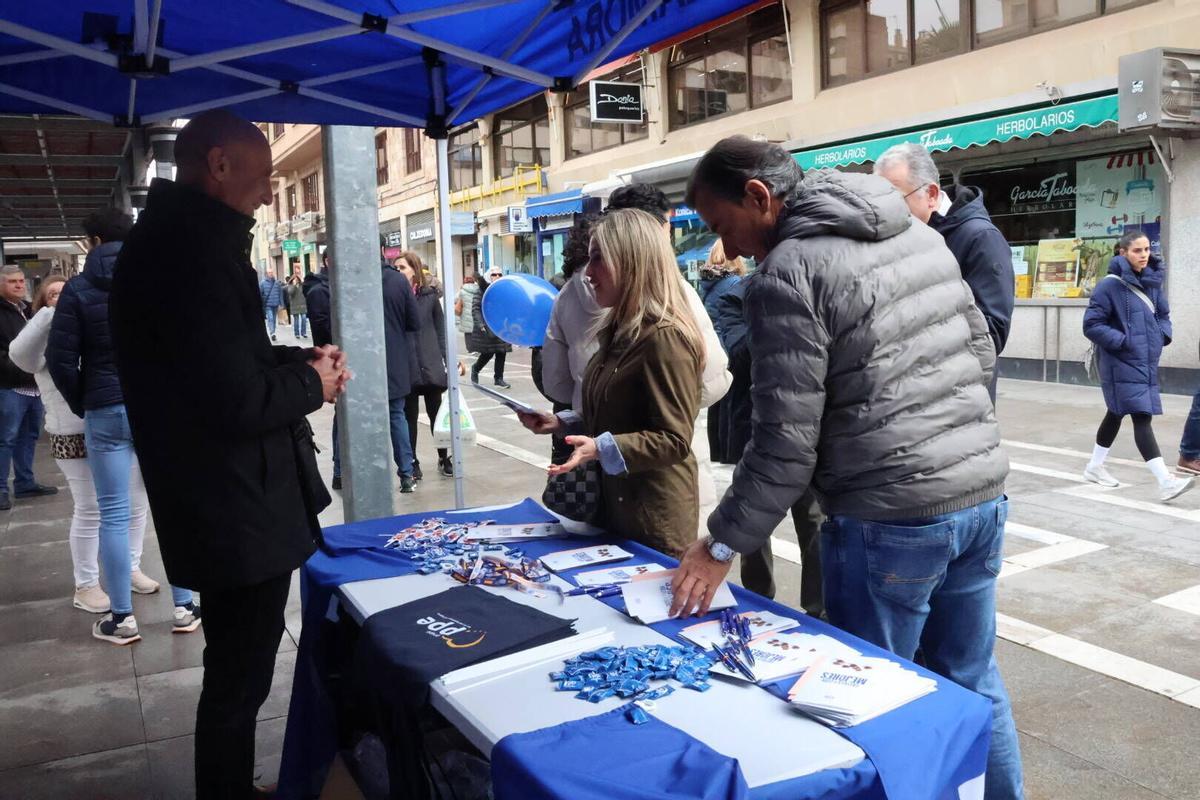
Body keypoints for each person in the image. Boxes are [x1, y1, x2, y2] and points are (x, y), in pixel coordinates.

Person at [670, 136, 1022, 799]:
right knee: (973, 680)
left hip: (888, 517)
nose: (730, 247)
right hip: (979, 495)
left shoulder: (785, 274)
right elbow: (980, 353)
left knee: (871, 696)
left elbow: (783, 443)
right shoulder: (918, 236)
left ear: (758, 196)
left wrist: (719, 544)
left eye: (724, 225)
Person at [109, 110, 346, 798]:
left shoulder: (180, 244)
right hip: (233, 506)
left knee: (237, 672)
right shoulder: (190, 256)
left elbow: (222, 365)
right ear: (219, 165)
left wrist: (297, 360)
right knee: (239, 678)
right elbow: (234, 401)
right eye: (264, 176)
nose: (270, 193)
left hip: (222, 500)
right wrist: (314, 384)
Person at [519, 209, 704, 557]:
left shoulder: (665, 337)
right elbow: (616, 411)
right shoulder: (619, 330)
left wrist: (599, 448)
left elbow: (674, 439)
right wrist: (561, 422)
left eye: (598, 259)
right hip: (614, 508)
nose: (588, 274)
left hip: (652, 520)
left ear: (632, 262)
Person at [48, 207, 195, 645]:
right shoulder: (159, 281)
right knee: (170, 506)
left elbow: (60, 359)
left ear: (93, 241)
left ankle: (122, 619)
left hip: (105, 409)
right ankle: (185, 607)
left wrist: (85, 400)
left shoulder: (77, 290)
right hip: (158, 409)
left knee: (112, 513)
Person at [874, 143, 1014, 402]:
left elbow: (992, 335)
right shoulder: (901, 237)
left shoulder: (981, 238)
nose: (885, 211)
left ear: (931, 194)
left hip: (960, 401)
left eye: (895, 199)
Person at [10, 276, 111, 613]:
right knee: (89, 507)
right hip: (70, 432)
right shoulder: (45, 331)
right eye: (52, 294)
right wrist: (51, 314)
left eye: (66, 292)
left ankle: (130, 567)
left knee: (127, 505)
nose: (61, 297)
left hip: (108, 424)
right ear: (43, 303)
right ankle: (86, 584)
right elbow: (21, 356)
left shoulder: (91, 323)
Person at [1083, 230, 1191, 501]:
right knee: (1142, 416)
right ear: (1123, 253)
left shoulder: (1152, 282)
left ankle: (1094, 466)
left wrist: (1162, 335)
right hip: (1120, 361)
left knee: (1116, 412)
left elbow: (1163, 314)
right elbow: (1092, 324)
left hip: (1144, 360)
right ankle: (1165, 481)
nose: (1144, 255)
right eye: (1137, 250)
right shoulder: (1109, 286)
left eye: (1146, 249)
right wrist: (1124, 341)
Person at [0, 264, 58, 511]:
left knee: (28, 436)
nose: (19, 285)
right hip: (9, 387)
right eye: (12, 281)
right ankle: (1, 490)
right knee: (6, 439)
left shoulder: (27, 309)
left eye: (21, 281)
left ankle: (24, 483)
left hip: (33, 387)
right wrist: (26, 369)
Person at [395, 251, 452, 479]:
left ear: (414, 270)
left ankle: (443, 457)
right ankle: (412, 461)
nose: (398, 271)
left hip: (430, 363)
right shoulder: (395, 297)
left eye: (402, 267)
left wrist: (448, 360)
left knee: (436, 414)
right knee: (408, 418)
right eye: (396, 268)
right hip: (406, 365)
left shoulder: (430, 296)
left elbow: (440, 330)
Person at [380, 237, 422, 493]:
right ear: (383, 250)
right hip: (393, 359)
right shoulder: (397, 281)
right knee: (397, 415)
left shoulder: (348, 279)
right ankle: (406, 474)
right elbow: (414, 322)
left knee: (353, 415)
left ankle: (342, 472)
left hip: (357, 363)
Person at [697, 239, 743, 465]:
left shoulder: (708, 284)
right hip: (729, 346)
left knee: (716, 403)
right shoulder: (734, 283)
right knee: (731, 404)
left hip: (712, 347)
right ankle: (728, 451)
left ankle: (717, 450)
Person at [304, 253, 339, 489]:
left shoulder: (335, 287)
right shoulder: (319, 291)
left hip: (342, 359)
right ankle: (340, 471)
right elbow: (322, 331)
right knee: (344, 417)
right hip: (333, 361)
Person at [468, 266, 512, 388]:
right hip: (487, 325)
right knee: (488, 353)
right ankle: (476, 368)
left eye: (499, 274)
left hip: (501, 326)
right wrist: (481, 324)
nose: (497, 276)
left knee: (501, 352)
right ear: (489, 276)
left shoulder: (503, 290)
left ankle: (498, 378)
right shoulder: (481, 291)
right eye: (494, 274)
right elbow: (476, 308)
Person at [260, 267, 283, 341]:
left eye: (272, 272)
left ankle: (273, 332)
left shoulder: (277, 283)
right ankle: (272, 333)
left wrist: (281, 304)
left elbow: (280, 293)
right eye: (269, 272)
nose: (271, 274)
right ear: (267, 274)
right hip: (268, 304)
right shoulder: (263, 283)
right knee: (270, 318)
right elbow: (260, 293)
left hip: (275, 304)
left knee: (274, 319)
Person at [286, 269, 308, 339]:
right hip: (295, 305)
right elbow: (290, 292)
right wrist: (294, 285)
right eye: (295, 279)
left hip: (302, 304)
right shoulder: (290, 285)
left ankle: (303, 332)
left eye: (297, 278)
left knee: (304, 318)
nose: (296, 279)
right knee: (296, 320)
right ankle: (297, 333)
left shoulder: (302, 285)